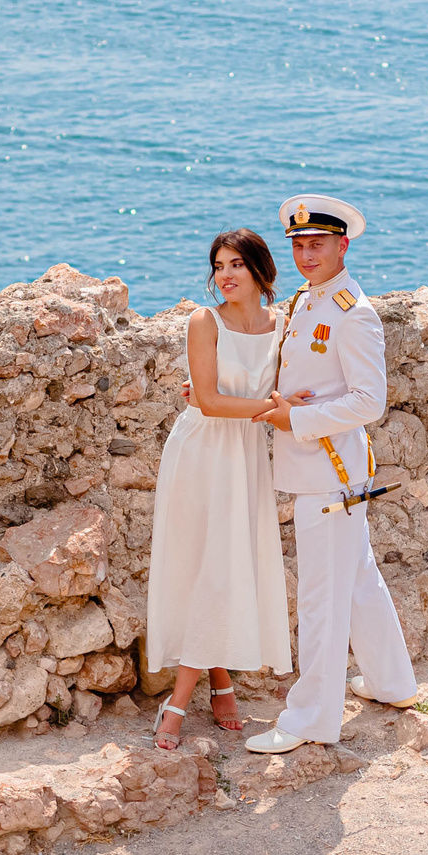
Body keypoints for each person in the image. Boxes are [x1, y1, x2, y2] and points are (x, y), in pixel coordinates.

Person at [245, 193, 418, 752]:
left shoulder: (352, 313)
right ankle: (392, 683)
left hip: (329, 472)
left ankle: (311, 720)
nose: (306, 255)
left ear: (343, 245)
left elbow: (370, 401)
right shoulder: (308, 299)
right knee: (359, 578)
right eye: (299, 245)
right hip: (326, 471)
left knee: (322, 599)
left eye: (317, 244)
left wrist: (295, 419)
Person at [143, 230, 294, 750]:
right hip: (201, 451)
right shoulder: (204, 321)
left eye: (236, 264)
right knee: (204, 566)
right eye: (218, 265)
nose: (225, 275)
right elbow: (207, 401)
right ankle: (182, 699)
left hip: (245, 455)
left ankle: (221, 678)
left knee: (226, 566)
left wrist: (274, 406)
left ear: (260, 270)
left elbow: (295, 389)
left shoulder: (284, 326)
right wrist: (273, 409)